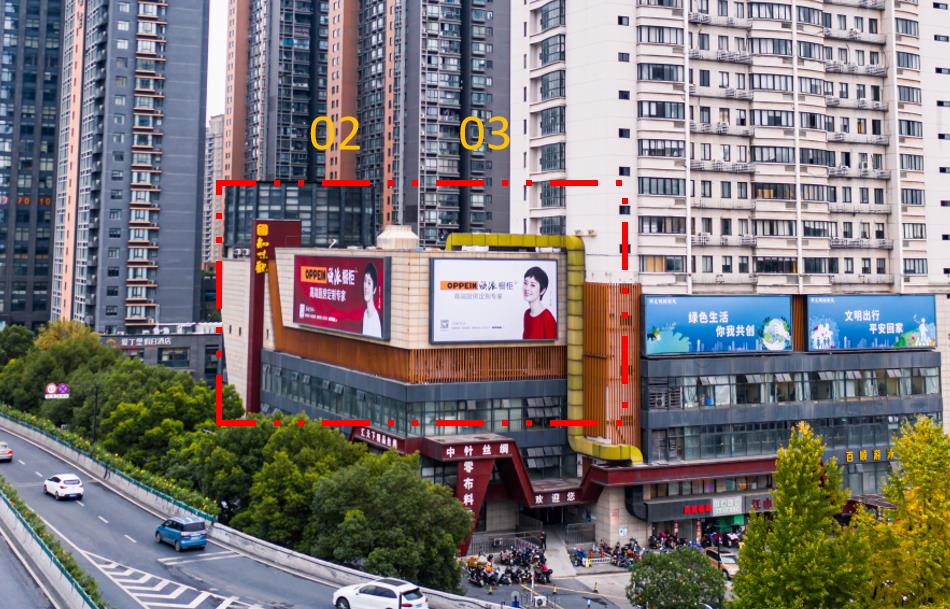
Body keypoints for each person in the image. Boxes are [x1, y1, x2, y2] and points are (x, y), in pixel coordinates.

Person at [522, 266, 557, 340]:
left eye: (532, 285)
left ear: (542, 290)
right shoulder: (527, 314)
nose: (527, 288)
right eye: (525, 283)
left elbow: (553, 345)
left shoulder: (547, 318)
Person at [361, 262, 383, 338]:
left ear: (374, 290)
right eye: (365, 281)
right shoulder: (365, 313)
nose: (365, 286)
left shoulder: (375, 320)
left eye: (369, 283)